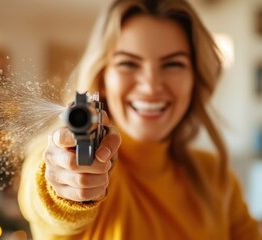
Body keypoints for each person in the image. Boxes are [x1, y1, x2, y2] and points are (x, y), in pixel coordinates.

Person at [17, 0, 262, 239]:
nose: (151, 86)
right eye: (128, 63)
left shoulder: (216, 176)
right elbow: (47, 193)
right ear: (103, 78)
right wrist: (66, 188)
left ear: (195, 79)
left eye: (173, 64)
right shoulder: (56, 156)